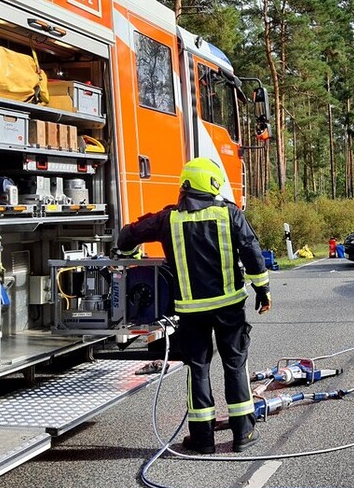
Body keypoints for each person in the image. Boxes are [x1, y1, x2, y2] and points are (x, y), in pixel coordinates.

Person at [116, 158, 271, 454]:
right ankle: (243, 434)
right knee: (235, 366)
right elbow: (252, 251)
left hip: (190, 311)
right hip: (229, 308)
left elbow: (128, 235)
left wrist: (126, 250)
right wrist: (262, 290)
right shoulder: (230, 214)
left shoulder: (168, 219)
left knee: (197, 369)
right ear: (211, 183)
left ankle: (202, 439)